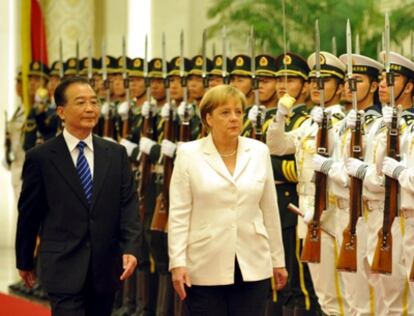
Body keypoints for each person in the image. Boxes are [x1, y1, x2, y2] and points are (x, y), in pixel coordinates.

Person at [15, 77, 143, 316]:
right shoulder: (41, 157)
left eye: (94, 102)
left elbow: (128, 205)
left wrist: (131, 248)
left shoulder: (115, 154)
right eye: (81, 102)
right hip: (62, 266)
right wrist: (24, 259)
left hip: (105, 268)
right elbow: (30, 213)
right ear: (61, 112)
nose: (90, 109)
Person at [168, 84, 288, 315]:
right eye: (225, 112)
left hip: (252, 260)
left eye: (238, 112)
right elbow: (179, 214)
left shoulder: (258, 151)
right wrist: (177, 263)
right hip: (204, 263)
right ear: (208, 118)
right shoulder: (189, 154)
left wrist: (278, 260)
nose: (234, 118)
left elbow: (269, 209)